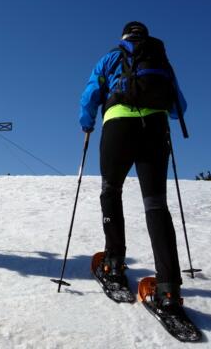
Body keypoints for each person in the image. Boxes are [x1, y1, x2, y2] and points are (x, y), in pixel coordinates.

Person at [78, 21, 187, 311]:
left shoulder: (111, 58)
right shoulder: (160, 59)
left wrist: (87, 123)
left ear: (124, 37)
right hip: (155, 129)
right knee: (156, 204)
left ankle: (113, 263)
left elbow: (90, 94)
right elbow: (179, 108)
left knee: (111, 190)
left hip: (118, 125)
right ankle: (169, 288)